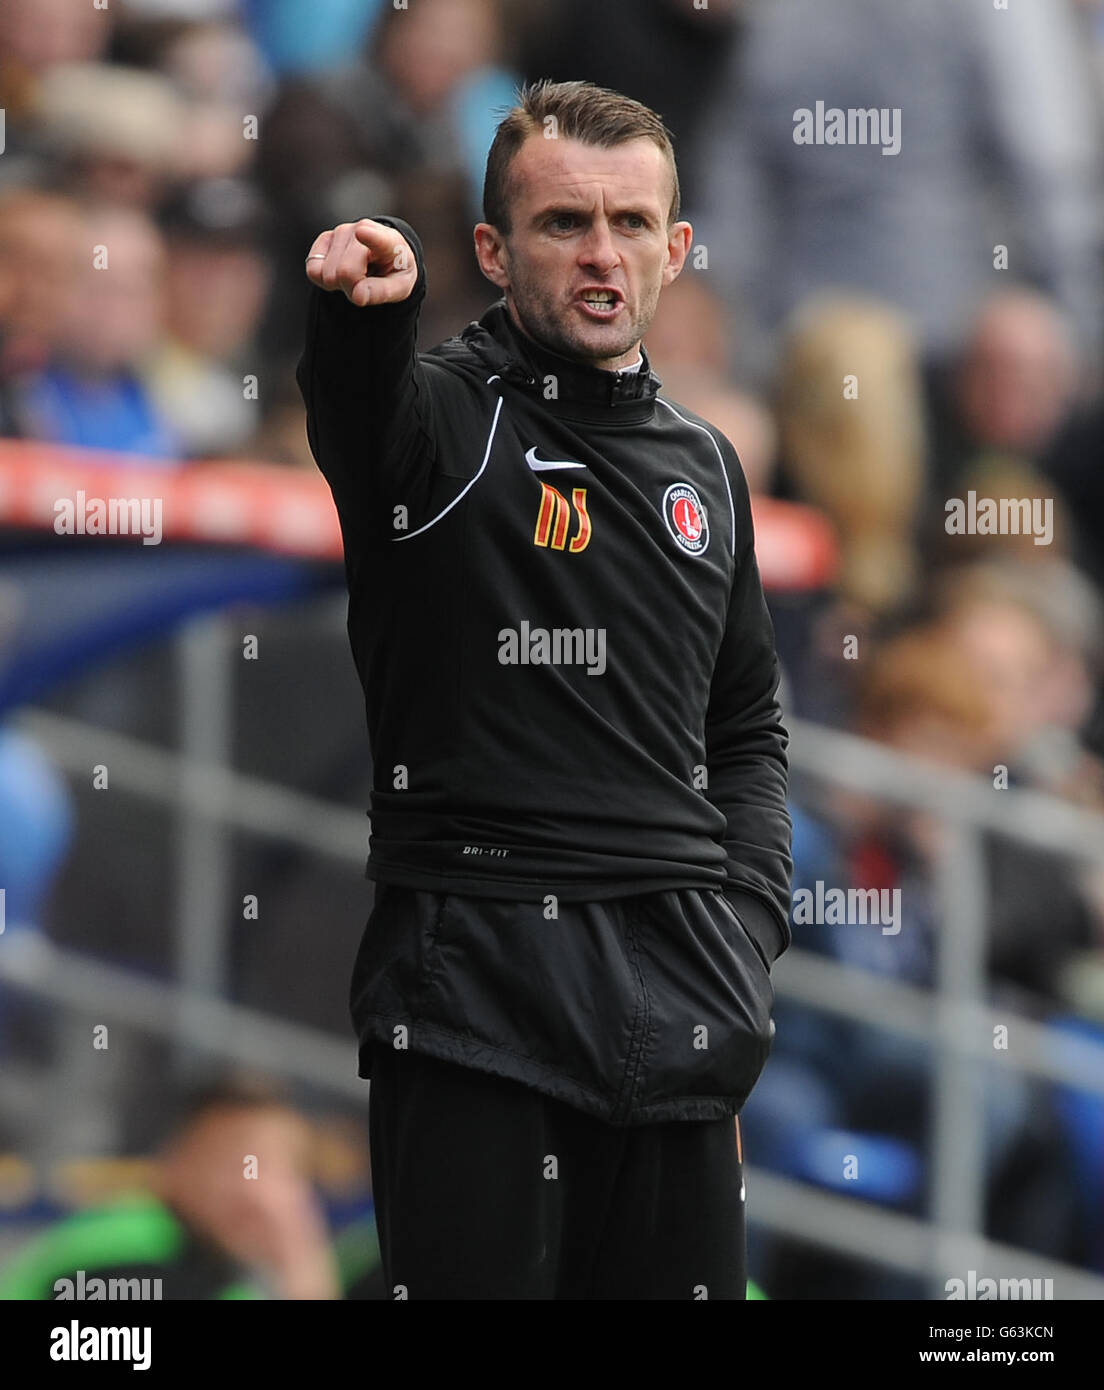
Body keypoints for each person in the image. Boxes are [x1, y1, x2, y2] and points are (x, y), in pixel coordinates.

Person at [297, 80, 793, 1301]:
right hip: (477, 995)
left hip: (680, 1001)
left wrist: (743, 937)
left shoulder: (709, 468)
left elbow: (746, 730)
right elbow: (361, 409)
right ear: (494, 248)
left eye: (632, 223)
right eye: (564, 222)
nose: (601, 253)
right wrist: (373, 300)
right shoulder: (442, 425)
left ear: (676, 250)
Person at [0, 1080, 340, 1300]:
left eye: (287, 1168)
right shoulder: (129, 1247)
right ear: (177, 1162)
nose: (258, 1191)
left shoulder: (225, 1272)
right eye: (241, 1162)